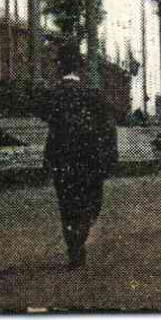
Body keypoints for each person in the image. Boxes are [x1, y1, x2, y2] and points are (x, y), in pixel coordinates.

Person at [42, 50, 119, 269]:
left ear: (60, 69)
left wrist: (48, 159)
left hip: (63, 162)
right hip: (90, 161)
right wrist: (109, 158)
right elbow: (108, 128)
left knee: (66, 205)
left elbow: (52, 131)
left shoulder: (54, 95)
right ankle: (81, 234)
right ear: (81, 70)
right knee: (90, 204)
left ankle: (74, 248)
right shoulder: (94, 95)